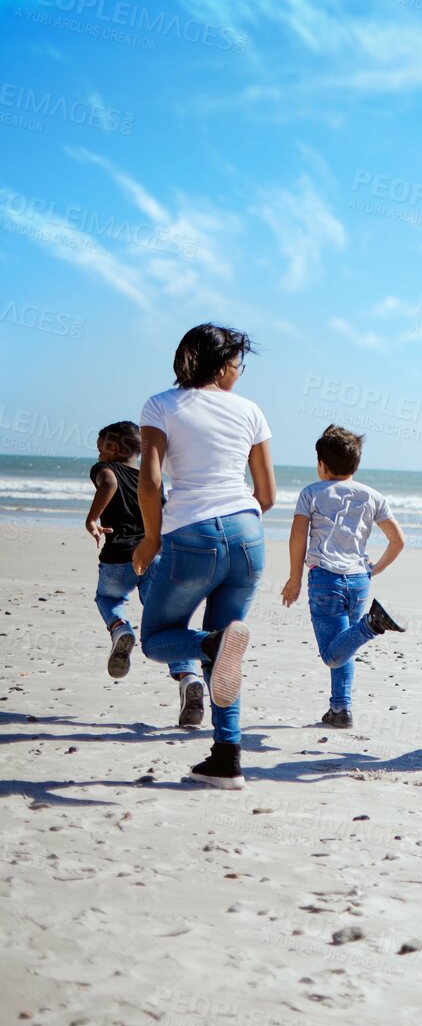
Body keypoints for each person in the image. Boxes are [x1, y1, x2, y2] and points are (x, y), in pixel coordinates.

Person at [135, 323, 275, 790]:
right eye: (237, 363)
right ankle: (226, 757)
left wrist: (151, 537)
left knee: (157, 638)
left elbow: (151, 482)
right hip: (248, 535)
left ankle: (208, 646)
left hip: (191, 535)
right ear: (220, 365)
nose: (239, 371)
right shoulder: (251, 410)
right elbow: (267, 494)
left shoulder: (160, 405)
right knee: (229, 650)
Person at [280, 425, 409, 730]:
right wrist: (374, 570)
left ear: (322, 465)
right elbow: (398, 540)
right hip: (359, 581)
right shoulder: (373, 496)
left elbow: (297, 538)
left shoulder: (311, 493)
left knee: (331, 654)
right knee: (344, 644)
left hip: (326, 579)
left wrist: (293, 579)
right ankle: (340, 709)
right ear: (356, 464)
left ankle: (372, 624)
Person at [85, 421, 204, 725]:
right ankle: (188, 677)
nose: (98, 451)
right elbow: (165, 514)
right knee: (167, 624)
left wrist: (94, 516)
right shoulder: (153, 478)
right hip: (154, 556)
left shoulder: (104, 469)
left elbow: (109, 483)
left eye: (102, 445)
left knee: (108, 598)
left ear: (115, 449)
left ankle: (120, 628)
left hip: (118, 558)